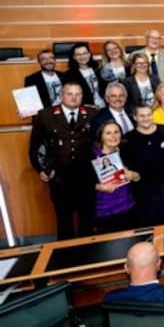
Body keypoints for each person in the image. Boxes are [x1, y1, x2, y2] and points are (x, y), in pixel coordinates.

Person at [28, 82, 98, 239]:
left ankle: (88, 255)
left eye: (78, 94)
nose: (74, 98)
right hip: (60, 177)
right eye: (69, 94)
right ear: (61, 96)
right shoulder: (45, 115)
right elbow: (35, 148)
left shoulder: (93, 114)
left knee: (87, 218)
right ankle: (66, 258)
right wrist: (42, 170)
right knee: (64, 219)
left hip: (85, 176)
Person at [121, 104, 164, 227]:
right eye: (142, 116)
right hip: (143, 195)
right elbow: (124, 167)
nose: (146, 118)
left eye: (148, 115)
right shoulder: (128, 139)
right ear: (135, 117)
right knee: (146, 228)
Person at [92, 120, 140, 233]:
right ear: (101, 136)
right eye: (108, 133)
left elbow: (140, 174)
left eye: (116, 132)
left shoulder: (126, 151)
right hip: (105, 211)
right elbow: (81, 182)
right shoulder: (91, 155)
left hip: (129, 207)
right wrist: (100, 187)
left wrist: (134, 175)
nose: (113, 136)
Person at [64, 43, 105, 107]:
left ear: (89, 54)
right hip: (86, 109)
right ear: (74, 57)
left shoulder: (98, 69)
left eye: (85, 53)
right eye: (78, 54)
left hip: (104, 106)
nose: (82, 56)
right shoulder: (69, 75)